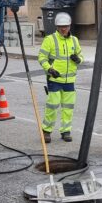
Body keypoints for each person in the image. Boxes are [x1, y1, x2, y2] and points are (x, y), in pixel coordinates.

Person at [38, 12, 83, 143]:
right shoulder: (50, 40)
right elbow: (42, 57)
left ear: (69, 26)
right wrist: (49, 69)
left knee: (68, 107)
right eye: (61, 26)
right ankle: (46, 131)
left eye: (66, 26)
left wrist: (78, 59)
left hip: (70, 80)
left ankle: (66, 131)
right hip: (55, 79)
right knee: (52, 106)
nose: (64, 29)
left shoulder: (74, 40)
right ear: (57, 27)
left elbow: (81, 56)